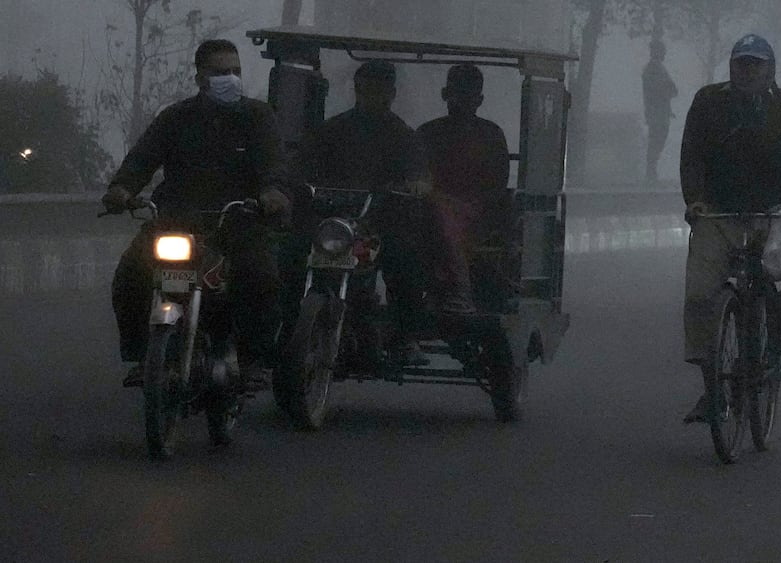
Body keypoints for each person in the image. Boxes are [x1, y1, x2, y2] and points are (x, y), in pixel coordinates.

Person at [103, 39, 293, 388]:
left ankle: (252, 361)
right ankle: (142, 355)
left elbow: (274, 164)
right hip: (175, 220)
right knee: (131, 275)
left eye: (235, 71)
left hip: (239, 221)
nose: (230, 78)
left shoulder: (258, 117)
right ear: (199, 77)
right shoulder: (175, 118)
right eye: (220, 72)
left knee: (259, 277)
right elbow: (142, 159)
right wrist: (122, 190)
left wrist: (272, 193)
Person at [679, 33, 781, 423]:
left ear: (770, 69)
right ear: (731, 66)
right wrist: (694, 199)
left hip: (774, 214)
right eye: (742, 63)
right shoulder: (708, 103)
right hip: (718, 215)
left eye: (756, 64)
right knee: (699, 293)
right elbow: (691, 155)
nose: (747, 71)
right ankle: (712, 381)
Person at [298, 60, 475, 344]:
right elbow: (304, 167)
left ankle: (404, 338)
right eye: (368, 89)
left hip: (382, 225)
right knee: (291, 253)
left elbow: (420, 174)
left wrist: (416, 185)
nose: (374, 96)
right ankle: (284, 331)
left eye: (381, 91)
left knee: (405, 262)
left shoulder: (403, 135)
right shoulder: (331, 130)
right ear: (357, 89)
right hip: (332, 222)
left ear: (392, 94)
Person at [418, 64, 512, 300]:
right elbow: (413, 174)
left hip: (476, 213)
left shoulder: (491, 135)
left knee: (444, 213)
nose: (461, 103)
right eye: (457, 95)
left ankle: (461, 289)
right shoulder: (427, 133)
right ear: (445, 95)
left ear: (479, 99)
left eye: (468, 96)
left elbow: (497, 185)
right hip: (423, 210)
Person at [641, 39, 678, 185]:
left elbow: (670, 89)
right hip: (657, 112)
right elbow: (662, 90)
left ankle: (651, 170)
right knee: (656, 140)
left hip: (659, 111)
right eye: (662, 50)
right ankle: (651, 171)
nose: (664, 53)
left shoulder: (657, 69)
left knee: (658, 140)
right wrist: (668, 92)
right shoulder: (653, 69)